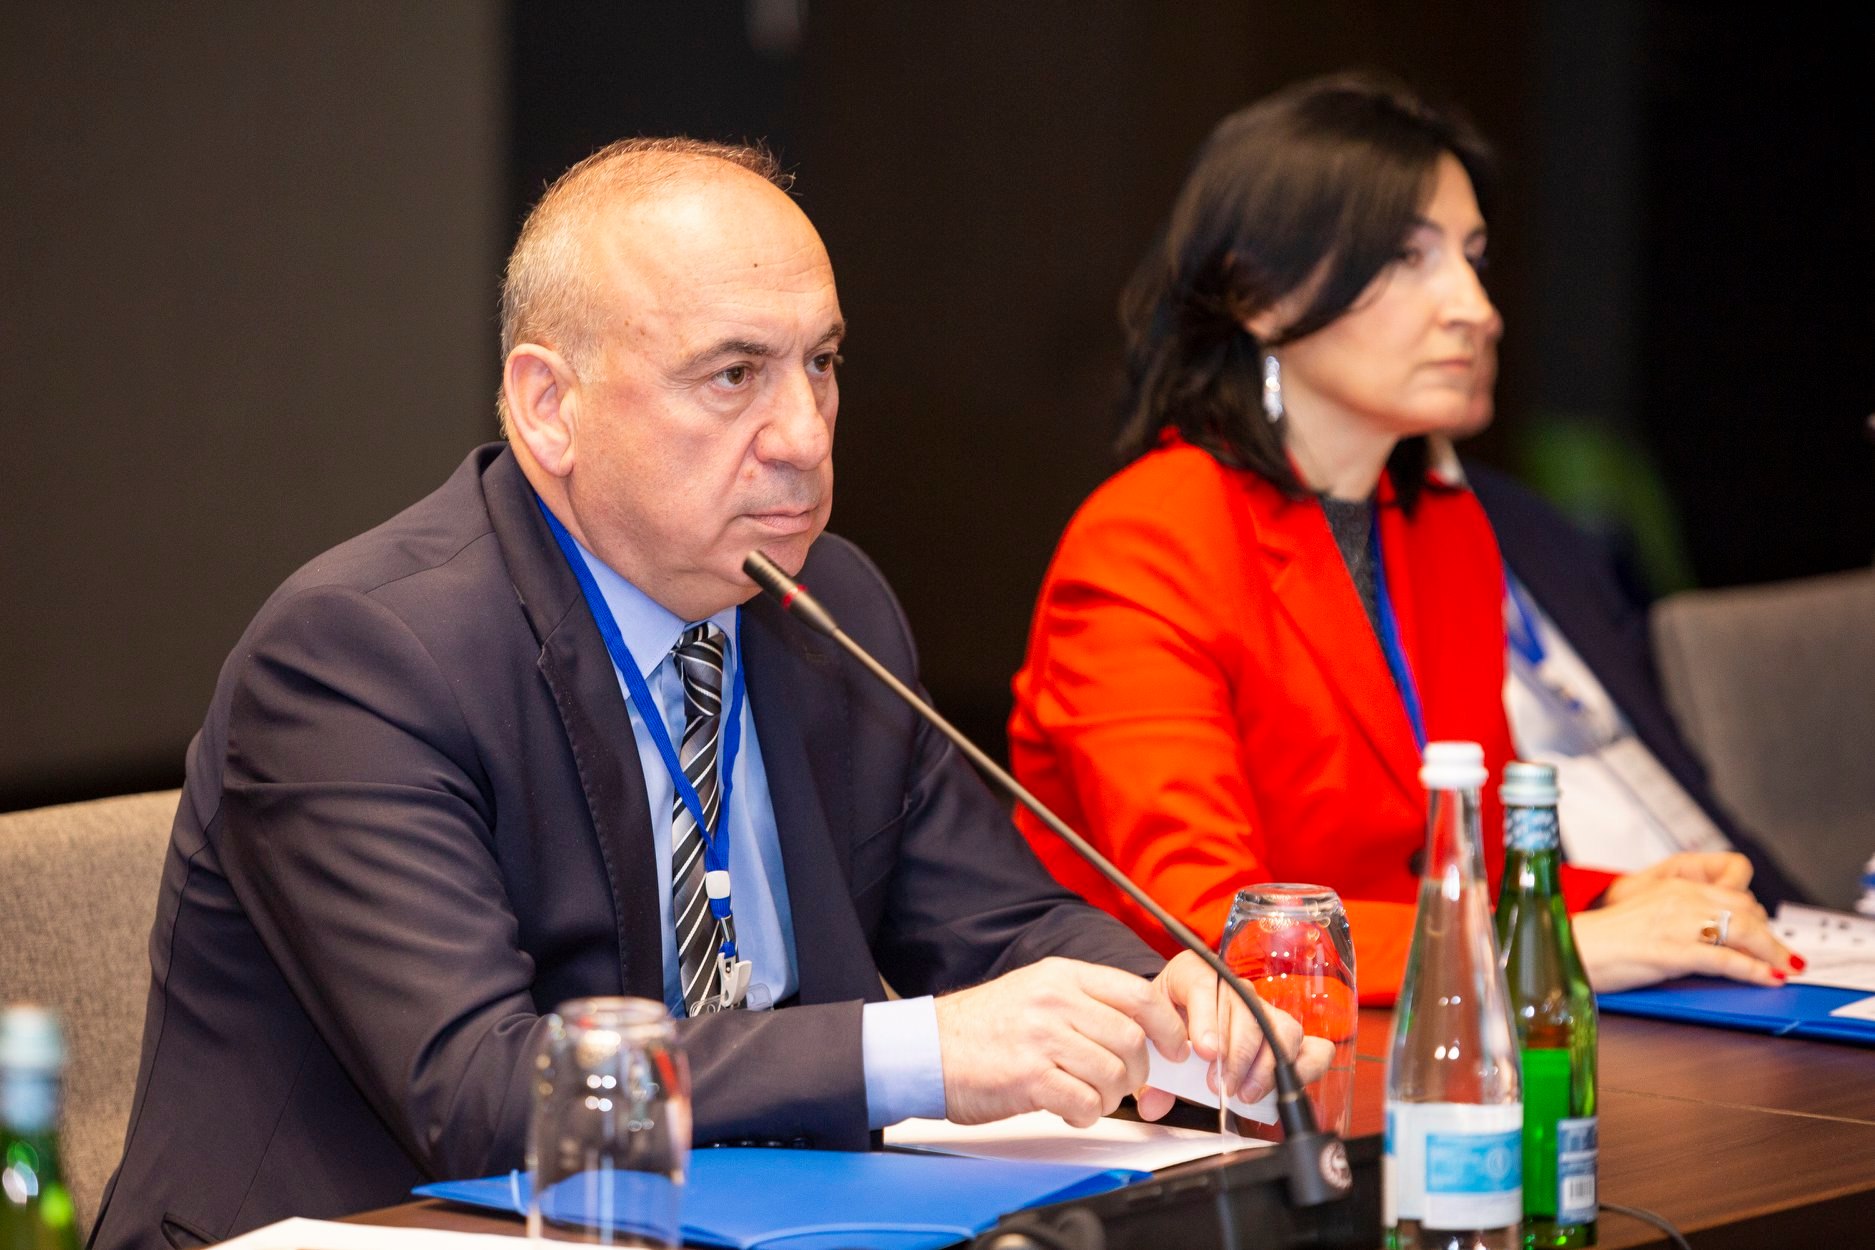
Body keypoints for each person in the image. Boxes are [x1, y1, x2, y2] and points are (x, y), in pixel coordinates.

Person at [90, 139, 1329, 1250]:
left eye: (822, 364)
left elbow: (999, 926)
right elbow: (483, 1091)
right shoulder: (363, 655)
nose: (804, 434)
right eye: (734, 374)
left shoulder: (827, 605)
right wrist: (924, 1048)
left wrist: (1168, 1001)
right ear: (550, 405)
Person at [1006, 74, 1799, 1005]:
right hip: (1195, 1061)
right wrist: (1567, 943)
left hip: (1409, 1027)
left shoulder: (1440, 523)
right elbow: (1218, 926)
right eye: (1407, 257)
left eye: (1472, 257)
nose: (1474, 307)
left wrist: (1614, 896)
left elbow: (1462, 866)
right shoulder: (1146, 541)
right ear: (1258, 296)